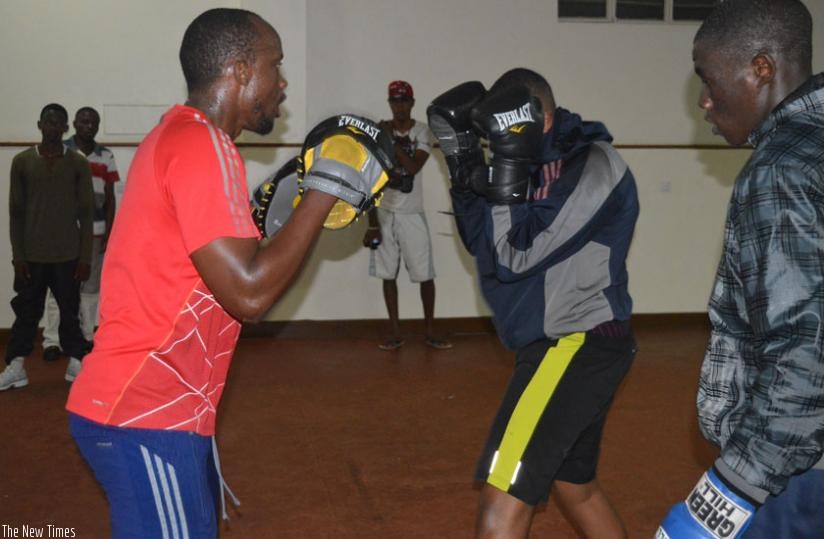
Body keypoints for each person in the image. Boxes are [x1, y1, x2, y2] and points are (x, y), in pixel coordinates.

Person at [64, 8, 391, 538]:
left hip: (157, 410)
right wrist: (324, 190)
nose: (282, 83)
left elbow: (227, 284)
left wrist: (282, 221)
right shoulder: (201, 144)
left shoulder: (178, 138)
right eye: (275, 65)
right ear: (240, 71)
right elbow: (250, 295)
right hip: (144, 411)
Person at [428, 70, 639, 538]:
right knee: (574, 486)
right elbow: (482, 242)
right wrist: (463, 170)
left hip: (576, 344)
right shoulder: (522, 161)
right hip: (557, 343)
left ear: (539, 120)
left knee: (500, 501)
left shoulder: (595, 165)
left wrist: (505, 167)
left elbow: (515, 255)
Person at [657, 1, 824, 538]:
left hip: (796, 470)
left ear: (762, 68)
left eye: (708, 79)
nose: (704, 101)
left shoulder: (780, 170)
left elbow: (805, 346)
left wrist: (733, 489)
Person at [0, 103, 94, 390]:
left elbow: (87, 214)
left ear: (65, 128)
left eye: (59, 123)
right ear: (39, 124)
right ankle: (16, 366)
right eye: (48, 122)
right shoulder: (22, 162)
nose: (53, 128)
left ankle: (76, 363)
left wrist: (85, 257)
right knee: (27, 313)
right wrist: (18, 257)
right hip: (32, 257)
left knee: (70, 311)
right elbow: (15, 213)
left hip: (68, 256)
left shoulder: (78, 163)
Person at [362, 80, 452, 351]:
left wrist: (390, 140)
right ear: (390, 103)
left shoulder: (423, 131)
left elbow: (412, 168)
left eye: (404, 101)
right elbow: (370, 178)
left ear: (412, 103)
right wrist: (372, 224)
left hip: (413, 213)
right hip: (385, 211)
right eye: (395, 101)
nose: (399, 106)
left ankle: (430, 330)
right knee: (388, 274)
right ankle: (394, 331)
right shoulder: (379, 133)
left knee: (425, 274)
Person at [41, 107, 120, 361]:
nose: (89, 126)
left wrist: (109, 231)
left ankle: (86, 337)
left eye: (93, 123)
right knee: (57, 289)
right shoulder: (60, 151)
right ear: (74, 124)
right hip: (63, 236)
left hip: (95, 234)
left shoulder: (105, 156)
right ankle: (52, 341)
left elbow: (110, 197)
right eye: (84, 121)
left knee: (89, 289)